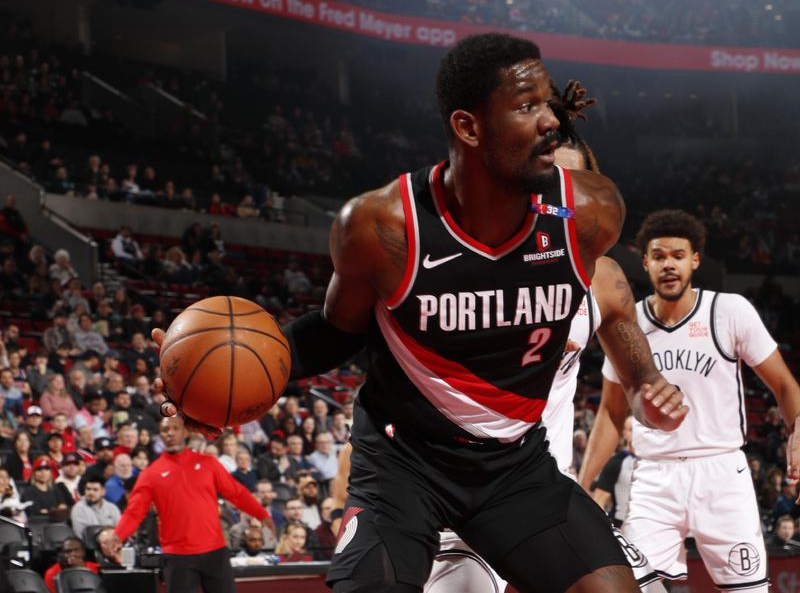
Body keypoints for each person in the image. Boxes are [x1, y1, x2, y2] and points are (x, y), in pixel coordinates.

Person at [158, 34, 686, 592]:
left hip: (514, 465)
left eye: (549, 103)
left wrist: (649, 380)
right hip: (402, 464)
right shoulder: (380, 225)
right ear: (469, 127)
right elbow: (336, 334)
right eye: (528, 106)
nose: (551, 120)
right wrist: (214, 390)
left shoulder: (590, 214)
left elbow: (622, 322)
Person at [580, 209, 800, 592]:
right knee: (628, 586)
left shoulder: (729, 311)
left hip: (721, 473)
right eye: (660, 256)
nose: (669, 265)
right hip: (652, 476)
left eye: (678, 256)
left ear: (695, 260)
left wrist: (798, 427)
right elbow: (612, 413)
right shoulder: (627, 325)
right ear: (645, 261)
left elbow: (783, 384)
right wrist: (582, 487)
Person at [100, 417, 272, 593]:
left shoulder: (208, 463)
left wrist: (261, 514)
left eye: (175, 428)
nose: (170, 433)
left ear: (185, 432)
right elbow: (134, 511)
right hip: (177, 556)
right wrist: (119, 534)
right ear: (160, 435)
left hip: (215, 551)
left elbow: (237, 493)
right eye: (165, 430)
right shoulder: (150, 474)